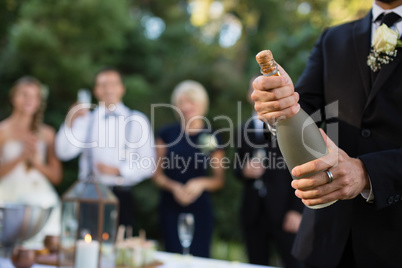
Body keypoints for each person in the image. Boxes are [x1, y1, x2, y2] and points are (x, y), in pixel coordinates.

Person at [252, 0, 402, 267]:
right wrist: (280, 109)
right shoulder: (332, 38)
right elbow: (305, 113)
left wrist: (367, 173)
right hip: (324, 244)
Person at [55, 68, 155, 228]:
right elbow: (64, 152)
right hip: (89, 195)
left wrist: (119, 170)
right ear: (96, 90)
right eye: (103, 85)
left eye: (113, 84)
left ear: (122, 88)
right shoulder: (86, 119)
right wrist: (70, 120)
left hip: (122, 195)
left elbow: (148, 164)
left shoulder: (137, 120)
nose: (108, 89)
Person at [234, 79, 303, 267]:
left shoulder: (289, 127)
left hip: (284, 210)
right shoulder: (242, 129)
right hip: (253, 212)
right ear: (251, 94)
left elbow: (301, 169)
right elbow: (236, 167)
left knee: (293, 262)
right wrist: (244, 170)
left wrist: (297, 211)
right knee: (256, 262)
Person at [152, 80, 225, 258]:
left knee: (199, 257)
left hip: (200, 208)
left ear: (201, 104)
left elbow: (218, 180)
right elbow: (157, 174)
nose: (186, 107)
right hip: (170, 206)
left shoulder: (211, 137)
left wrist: (201, 183)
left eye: (191, 101)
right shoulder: (166, 134)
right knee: (172, 256)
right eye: (181, 102)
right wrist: (174, 187)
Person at [0, 76, 62, 246]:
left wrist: (36, 163)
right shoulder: (2, 131)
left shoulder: (47, 134)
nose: (29, 100)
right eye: (24, 94)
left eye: (34, 96)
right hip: (8, 192)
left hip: (39, 193)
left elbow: (57, 177)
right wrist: (21, 157)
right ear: (13, 98)